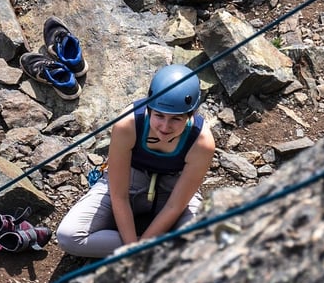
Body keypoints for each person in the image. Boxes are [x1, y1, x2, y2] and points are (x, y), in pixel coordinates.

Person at [56, 64, 216, 258]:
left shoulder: (201, 142)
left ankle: (151, 247)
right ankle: (163, 251)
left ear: (191, 114)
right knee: (69, 236)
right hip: (129, 184)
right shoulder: (129, 125)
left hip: (173, 191)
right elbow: (119, 195)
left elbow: (175, 205)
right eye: (159, 115)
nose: (165, 126)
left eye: (176, 119)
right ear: (149, 107)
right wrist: (133, 249)